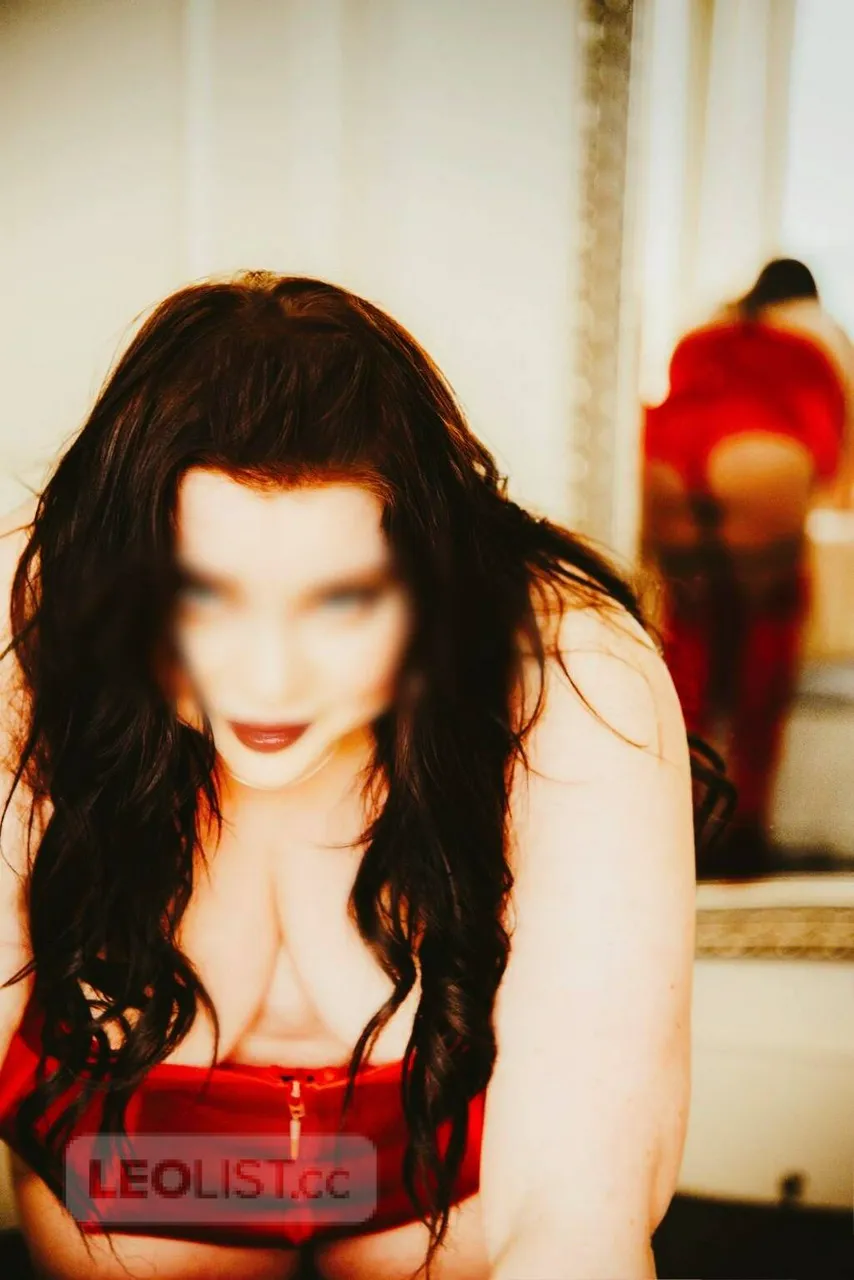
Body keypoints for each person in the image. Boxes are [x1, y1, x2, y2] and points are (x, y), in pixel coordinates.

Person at [0, 272, 726, 1280]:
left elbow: (577, 1215)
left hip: (445, 1185)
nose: (265, 678)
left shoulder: (568, 665)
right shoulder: (32, 624)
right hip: (131, 1177)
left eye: (339, 603)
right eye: (202, 598)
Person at [642, 258, 854, 872]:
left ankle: (676, 817)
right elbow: (833, 458)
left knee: (689, 635)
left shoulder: (703, 333)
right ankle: (746, 824)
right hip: (761, 458)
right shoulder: (817, 337)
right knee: (769, 631)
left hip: (668, 457)